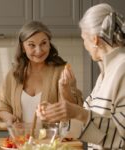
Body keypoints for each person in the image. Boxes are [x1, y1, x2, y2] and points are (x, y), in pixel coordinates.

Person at [37, 3, 125, 149]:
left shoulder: (122, 68)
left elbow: (121, 136)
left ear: (95, 40)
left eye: (84, 38)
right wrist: (60, 112)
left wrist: (79, 113)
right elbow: (96, 133)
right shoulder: (106, 73)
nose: (84, 45)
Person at [0, 21, 82, 127]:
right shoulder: (14, 74)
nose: (39, 50)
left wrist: (65, 88)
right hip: (21, 140)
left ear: (49, 44)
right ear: (23, 47)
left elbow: (73, 109)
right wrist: (9, 118)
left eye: (43, 43)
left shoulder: (61, 71)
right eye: (32, 45)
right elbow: (1, 106)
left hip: (53, 141)